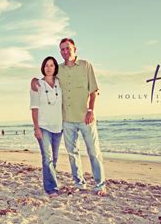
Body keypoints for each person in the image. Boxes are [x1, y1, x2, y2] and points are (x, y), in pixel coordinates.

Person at [31, 38, 106, 196]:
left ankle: (100, 184)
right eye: (62, 49)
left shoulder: (86, 66)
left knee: (94, 151)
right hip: (66, 120)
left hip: (85, 118)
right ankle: (79, 183)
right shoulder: (59, 70)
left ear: (74, 49)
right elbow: (46, 79)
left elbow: (94, 91)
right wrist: (33, 80)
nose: (65, 51)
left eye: (68, 48)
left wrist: (91, 110)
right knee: (72, 153)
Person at [30, 56, 63, 197]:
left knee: (54, 158)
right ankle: (51, 188)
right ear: (43, 68)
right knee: (47, 157)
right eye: (46, 65)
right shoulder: (37, 84)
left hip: (58, 126)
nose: (49, 68)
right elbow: (34, 107)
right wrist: (36, 127)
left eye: (52, 65)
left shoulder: (60, 83)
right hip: (43, 126)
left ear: (56, 67)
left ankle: (51, 182)